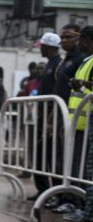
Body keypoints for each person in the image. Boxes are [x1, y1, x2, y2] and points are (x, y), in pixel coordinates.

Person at [46, 24, 85, 211]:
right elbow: (58, 91)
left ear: (79, 38)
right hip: (62, 113)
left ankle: (74, 199)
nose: (63, 41)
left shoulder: (81, 59)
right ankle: (61, 196)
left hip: (76, 117)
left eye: (68, 37)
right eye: (61, 37)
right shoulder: (65, 60)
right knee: (59, 159)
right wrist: (52, 118)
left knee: (74, 161)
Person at [28, 33, 62, 200]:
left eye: (41, 46)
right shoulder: (50, 65)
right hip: (42, 117)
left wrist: (51, 120)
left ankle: (54, 192)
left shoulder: (58, 65)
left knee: (51, 156)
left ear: (49, 47)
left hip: (51, 117)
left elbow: (57, 94)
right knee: (39, 154)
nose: (40, 48)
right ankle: (43, 190)